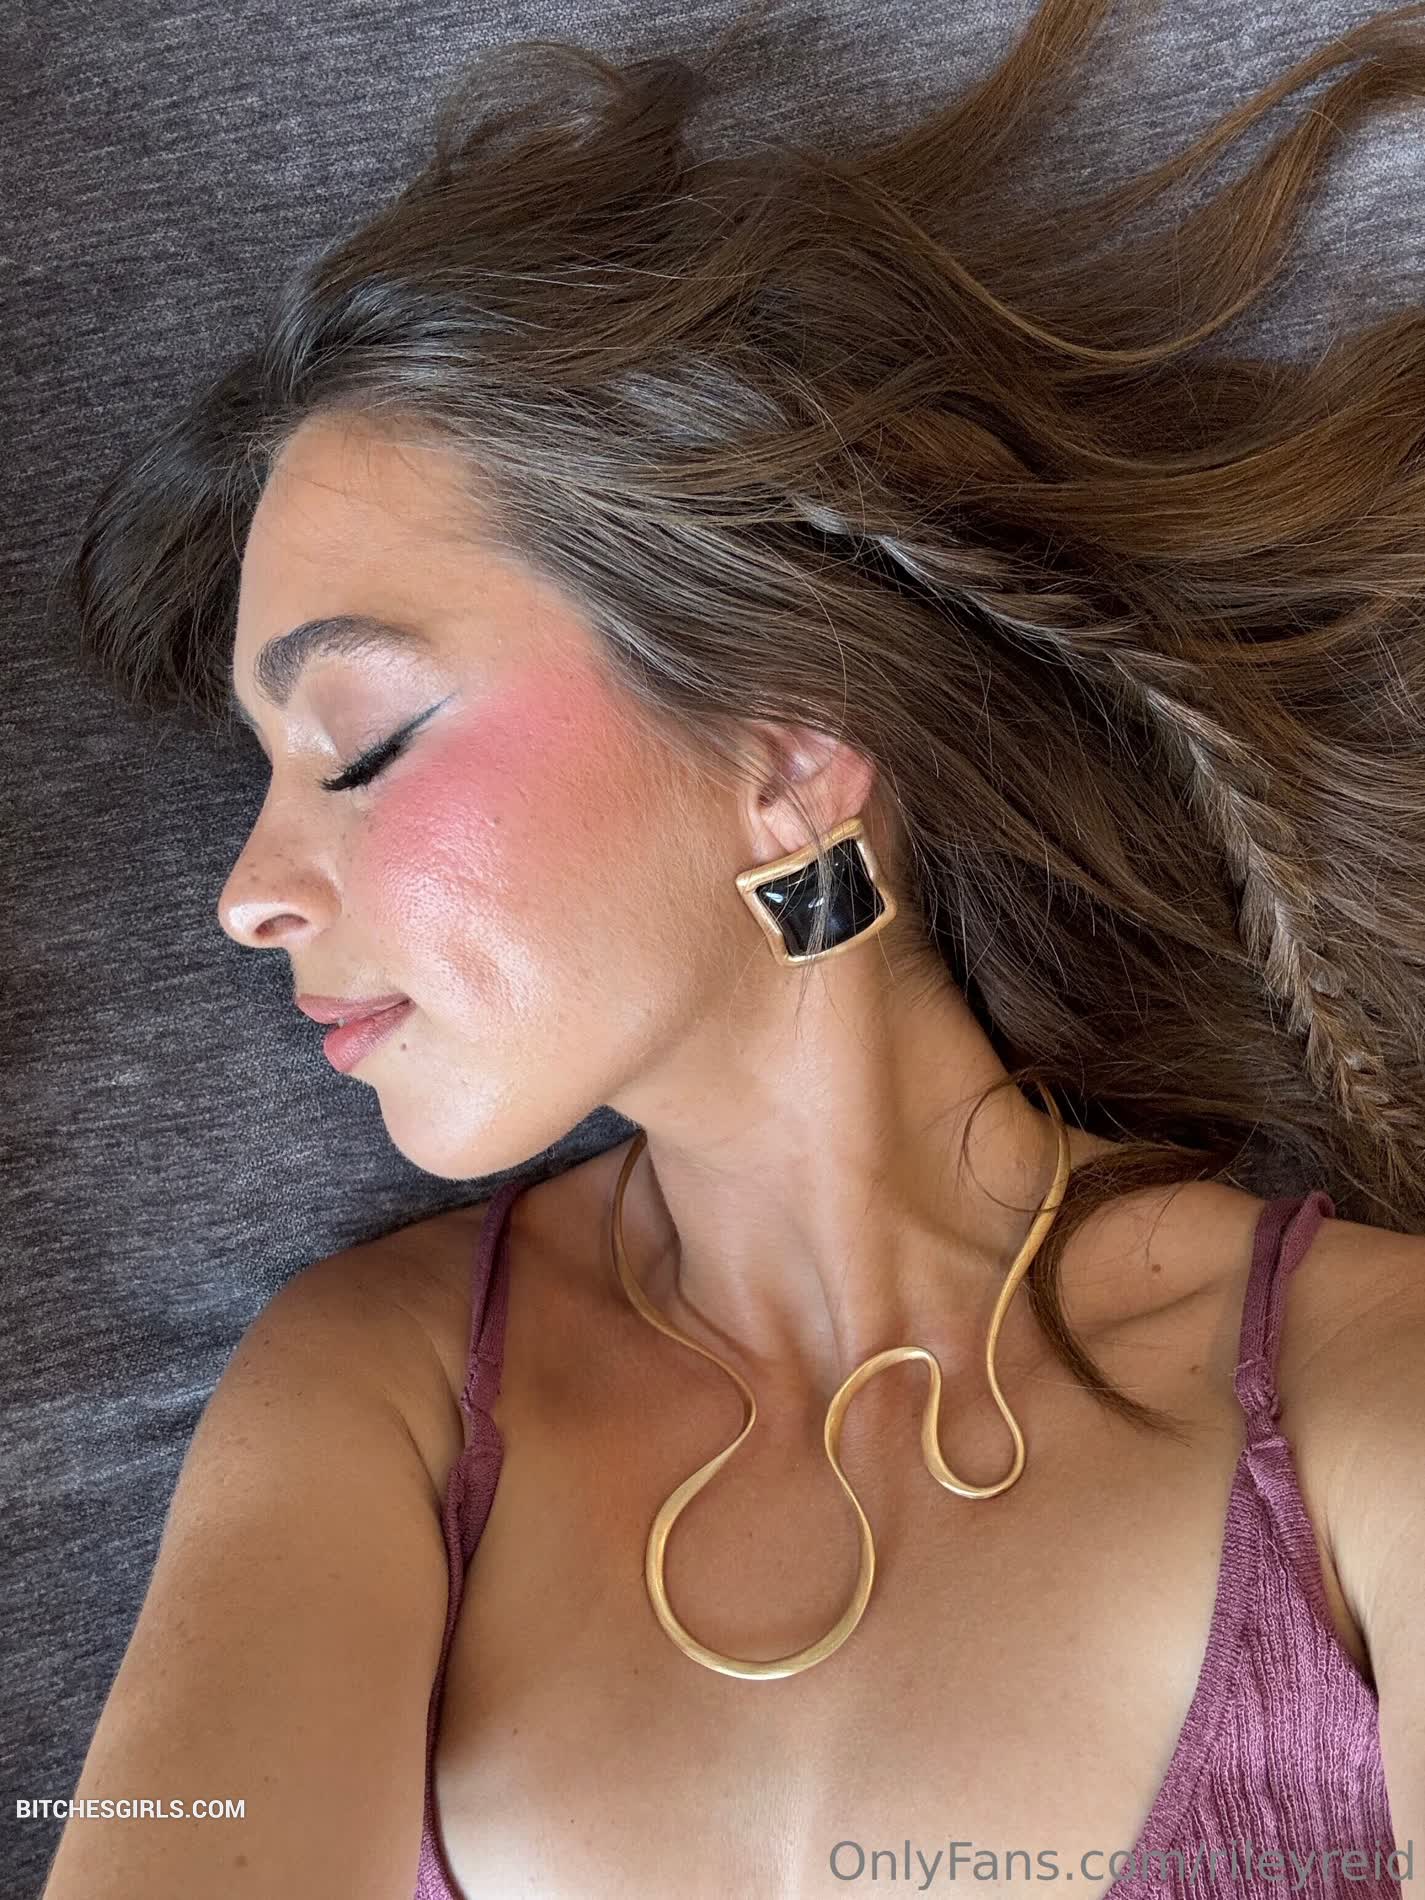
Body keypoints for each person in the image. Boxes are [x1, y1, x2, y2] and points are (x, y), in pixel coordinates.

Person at [44, 0, 1425, 1893]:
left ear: (783, 752)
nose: (246, 892)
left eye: (356, 743)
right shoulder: (373, 1392)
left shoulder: (1363, 1390)